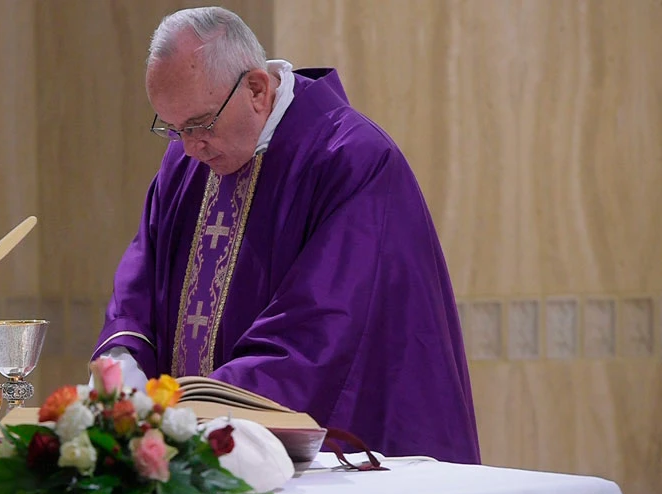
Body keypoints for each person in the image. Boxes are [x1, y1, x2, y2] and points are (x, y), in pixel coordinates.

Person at [91, 6, 480, 464]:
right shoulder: (185, 164)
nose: (191, 147)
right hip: (194, 449)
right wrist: (125, 360)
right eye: (173, 129)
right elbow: (141, 275)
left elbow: (322, 327)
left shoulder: (351, 160)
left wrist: (190, 408)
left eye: (200, 124)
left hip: (343, 450)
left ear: (257, 88)